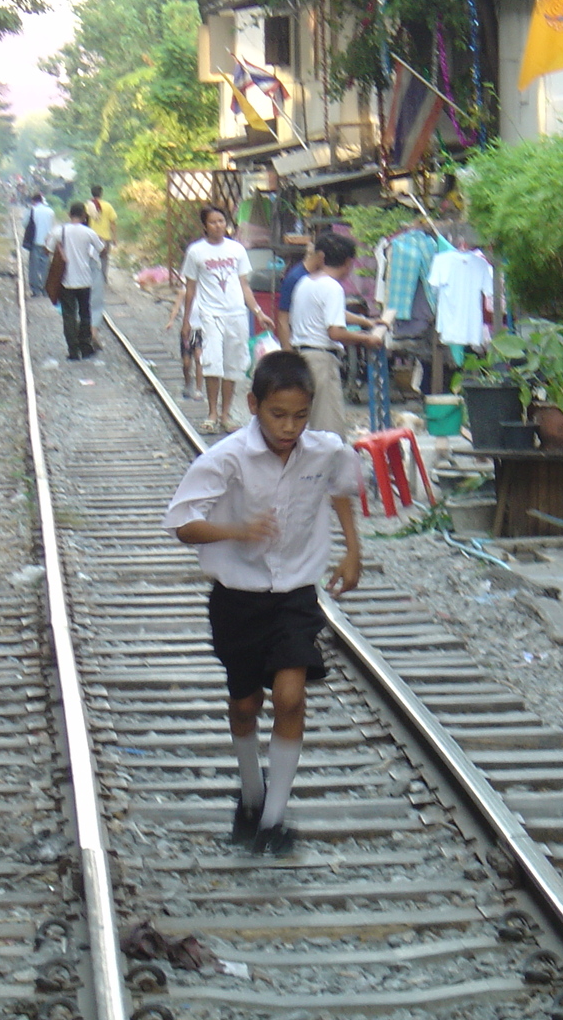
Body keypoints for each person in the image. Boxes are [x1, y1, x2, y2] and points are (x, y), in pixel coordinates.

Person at [163, 351, 363, 856]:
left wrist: (352, 551)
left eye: (300, 415)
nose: (290, 426)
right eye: (278, 414)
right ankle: (250, 796)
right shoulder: (226, 458)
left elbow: (341, 487)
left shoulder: (325, 451)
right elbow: (182, 523)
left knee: (292, 696)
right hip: (238, 597)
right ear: (253, 405)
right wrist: (236, 530)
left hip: (295, 593)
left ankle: (274, 821)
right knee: (246, 702)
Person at [182, 205, 272, 434]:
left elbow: (244, 285)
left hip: (236, 314)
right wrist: (186, 321)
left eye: (221, 221)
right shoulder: (196, 252)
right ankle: (212, 412)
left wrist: (258, 312)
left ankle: (226, 414)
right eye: (212, 222)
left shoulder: (237, 250)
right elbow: (190, 289)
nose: (218, 226)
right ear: (205, 226)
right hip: (209, 314)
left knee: (233, 364)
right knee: (212, 362)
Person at [288, 232, 387, 437]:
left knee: (310, 427)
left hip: (301, 357)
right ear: (349, 262)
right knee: (328, 429)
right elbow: (335, 332)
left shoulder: (307, 282)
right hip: (320, 359)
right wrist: (367, 338)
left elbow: (332, 313)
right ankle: (330, 469)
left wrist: (365, 322)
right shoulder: (333, 287)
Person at [46, 202, 105, 361]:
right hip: (85, 281)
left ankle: (73, 350)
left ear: (69, 214)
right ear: (84, 216)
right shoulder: (89, 233)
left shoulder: (60, 231)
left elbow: (48, 250)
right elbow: (101, 249)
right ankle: (85, 347)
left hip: (66, 281)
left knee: (69, 316)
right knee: (85, 314)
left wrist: (59, 246)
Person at [165, 281, 204, 400]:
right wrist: (171, 320)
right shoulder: (184, 291)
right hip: (186, 330)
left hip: (199, 330)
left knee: (199, 358)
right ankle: (187, 384)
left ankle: (198, 389)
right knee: (186, 362)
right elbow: (176, 308)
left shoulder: (205, 292)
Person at [24, 192, 54, 297]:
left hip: (35, 241)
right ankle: (45, 289)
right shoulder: (51, 211)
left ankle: (36, 290)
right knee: (46, 266)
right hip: (47, 243)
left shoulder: (32, 210)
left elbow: (25, 224)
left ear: (33, 201)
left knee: (34, 267)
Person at [86, 184, 118, 283]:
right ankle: (103, 279)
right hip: (105, 237)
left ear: (92, 193)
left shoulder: (87, 206)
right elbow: (112, 223)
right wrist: (114, 237)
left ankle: (91, 278)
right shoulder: (108, 206)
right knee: (104, 258)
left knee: (90, 258)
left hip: (91, 237)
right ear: (101, 193)